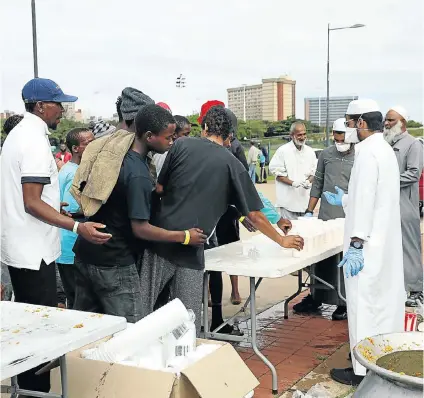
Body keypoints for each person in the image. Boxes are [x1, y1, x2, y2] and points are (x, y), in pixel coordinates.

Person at [139, 105, 303, 335]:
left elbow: (160, 187)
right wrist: (282, 240)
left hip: (159, 243)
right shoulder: (233, 165)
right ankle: (182, 364)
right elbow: (255, 214)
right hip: (193, 248)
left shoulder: (182, 145)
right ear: (230, 136)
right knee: (186, 323)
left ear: (205, 127)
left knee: (144, 312)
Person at [0, 78, 111, 395]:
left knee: (28, 326)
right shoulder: (33, 141)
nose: (62, 109)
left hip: (21, 246)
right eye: (57, 103)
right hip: (33, 251)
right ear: (40, 106)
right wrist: (77, 226)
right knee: (38, 333)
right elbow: (31, 202)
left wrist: (53, 204)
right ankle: (36, 392)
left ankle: (27, 389)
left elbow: (30, 196)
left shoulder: (19, 135)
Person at [72, 105, 206, 322]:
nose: (172, 142)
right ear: (150, 136)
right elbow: (140, 229)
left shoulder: (117, 158)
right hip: (114, 263)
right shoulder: (138, 175)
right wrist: (185, 236)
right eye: (169, 137)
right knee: (131, 330)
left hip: (86, 254)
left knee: (89, 328)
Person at [324, 99, 405, 386]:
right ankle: (381, 359)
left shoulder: (368, 153)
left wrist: (356, 242)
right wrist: (345, 199)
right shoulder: (383, 150)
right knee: (380, 305)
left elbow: (367, 199)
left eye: (348, 122)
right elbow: (369, 198)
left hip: (366, 245)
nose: (347, 129)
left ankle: (362, 371)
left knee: (362, 306)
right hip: (382, 244)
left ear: (360, 123)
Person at [295, 118, 354, 320]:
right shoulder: (327, 155)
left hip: (349, 217)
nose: (340, 141)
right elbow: (317, 183)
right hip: (327, 216)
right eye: (336, 137)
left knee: (343, 261)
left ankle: (343, 302)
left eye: (343, 137)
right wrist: (309, 211)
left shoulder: (360, 155)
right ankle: (316, 296)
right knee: (322, 260)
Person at [384, 105, 423, 307]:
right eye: (386, 119)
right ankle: (396, 287)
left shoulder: (413, 145)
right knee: (389, 249)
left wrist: (386, 180)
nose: (387, 123)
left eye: (391, 120)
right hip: (386, 207)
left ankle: (416, 290)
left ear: (402, 123)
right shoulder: (386, 144)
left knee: (409, 248)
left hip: (405, 206)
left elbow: (414, 173)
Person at [56, 128, 95, 309]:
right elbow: (73, 209)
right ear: (75, 148)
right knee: (77, 301)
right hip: (71, 245)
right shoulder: (74, 173)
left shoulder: (72, 169)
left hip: (70, 244)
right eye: (88, 143)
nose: (94, 145)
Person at [269, 122, 317, 220]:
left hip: (305, 203)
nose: (302, 137)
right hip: (287, 203)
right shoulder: (283, 151)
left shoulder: (310, 152)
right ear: (292, 135)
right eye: (299, 135)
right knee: (289, 233)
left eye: (304, 134)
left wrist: (309, 181)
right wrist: (293, 183)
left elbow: (315, 172)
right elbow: (277, 174)